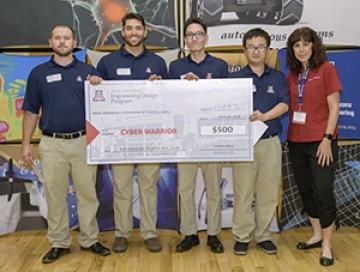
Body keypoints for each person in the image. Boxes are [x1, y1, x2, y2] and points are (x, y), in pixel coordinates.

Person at [21, 24, 110, 264]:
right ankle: (59, 242)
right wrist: (26, 144)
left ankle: (90, 239)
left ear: (74, 42)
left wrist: (98, 85)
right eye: (58, 38)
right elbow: (30, 111)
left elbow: (105, 103)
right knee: (55, 195)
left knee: (87, 194)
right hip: (51, 144)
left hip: (83, 141)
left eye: (67, 38)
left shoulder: (88, 71)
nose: (62, 42)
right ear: (50, 42)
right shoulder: (38, 73)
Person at [90, 12, 167, 253]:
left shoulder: (157, 62)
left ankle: (149, 233)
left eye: (138, 29)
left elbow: (169, 100)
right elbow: (97, 100)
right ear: (122, 32)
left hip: (149, 136)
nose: (134, 33)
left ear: (145, 32)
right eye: (129, 29)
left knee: (148, 186)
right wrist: (94, 83)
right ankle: (122, 234)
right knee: (121, 188)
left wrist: (162, 85)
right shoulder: (107, 63)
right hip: (119, 138)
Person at [168, 18, 229, 254]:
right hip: (185, 138)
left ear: (206, 38)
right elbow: (170, 102)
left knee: (214, 188)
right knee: (186, 190)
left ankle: (213, 233)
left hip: (210, 137)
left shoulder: (220, 65)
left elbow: (225, 101)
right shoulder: (175, 68)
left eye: (199, 34)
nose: (194, 38)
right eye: (190, 34)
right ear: (185, 39)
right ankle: (190, 233)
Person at [230, 28, 289, 255]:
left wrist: (264, 116)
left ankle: (263, 234)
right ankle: (242, 236)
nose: (256, 51)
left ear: (268, 49)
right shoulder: (235, 79)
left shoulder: (277, 77)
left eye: (261, 46)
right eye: (251, 46)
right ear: (245, 50)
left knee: (267, 191)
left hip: (271, 141)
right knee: (243, 192)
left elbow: (285, 104)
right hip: (244, 143)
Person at [286, 27, 342, 267]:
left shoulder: (326, 69)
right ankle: (317, 234)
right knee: (306, 190)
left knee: (323, 191)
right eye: (296, 45)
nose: (301, 50)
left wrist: (327, 138)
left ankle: (327, 246)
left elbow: (335, 108)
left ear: (313, 46)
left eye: (305, 44)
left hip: (321, 142)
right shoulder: (291, 74)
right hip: (296, 141)